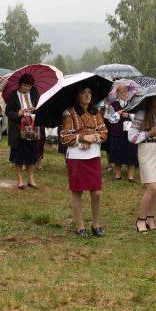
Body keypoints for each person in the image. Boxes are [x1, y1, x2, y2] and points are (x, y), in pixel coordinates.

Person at [60, 86, 108, 238]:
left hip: (93, 156)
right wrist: (81, 138)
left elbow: (104, 132)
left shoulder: (96, 113)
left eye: (89, 92)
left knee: (97, 192)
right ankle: (80, 226)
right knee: (77, 191)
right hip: (76, 157)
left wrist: (92, 138)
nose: (87, 95)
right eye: (83, 92)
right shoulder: (69, 113)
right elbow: (65, 137)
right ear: (77, 95)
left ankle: (96, 224)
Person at [128, 95, 156, 232]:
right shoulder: (141, 114)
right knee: (151, 186)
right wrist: (148, 134)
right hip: (146, 149)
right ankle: (140, 220)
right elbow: (131, 136)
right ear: (150, 100)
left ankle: (150, 218)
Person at [6, 74, 40, 189]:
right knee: (19, 154)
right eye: (25, 85)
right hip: (18, 129)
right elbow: (8, 112)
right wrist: (17, 113)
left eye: (29, 86)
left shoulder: (35, 93)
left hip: (32, 129)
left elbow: (40, 107)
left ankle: (30, 179)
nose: (27, 88)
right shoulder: (12, 95)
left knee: (32, 154)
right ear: (20, 84)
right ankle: (20, 179)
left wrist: (36, 109)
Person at [105, 83, 137, 182]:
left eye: (125, 91)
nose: (123, 93)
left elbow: (138, 118)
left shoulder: (133, 104)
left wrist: (129, 115)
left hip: (130, 133)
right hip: (117, 133)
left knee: (131, 154)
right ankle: (117, 175)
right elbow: (110, 119)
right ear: (117, 93)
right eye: (121, 92)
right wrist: (117, 113)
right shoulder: (113, 105)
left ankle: (130, 177)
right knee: (117, 154)